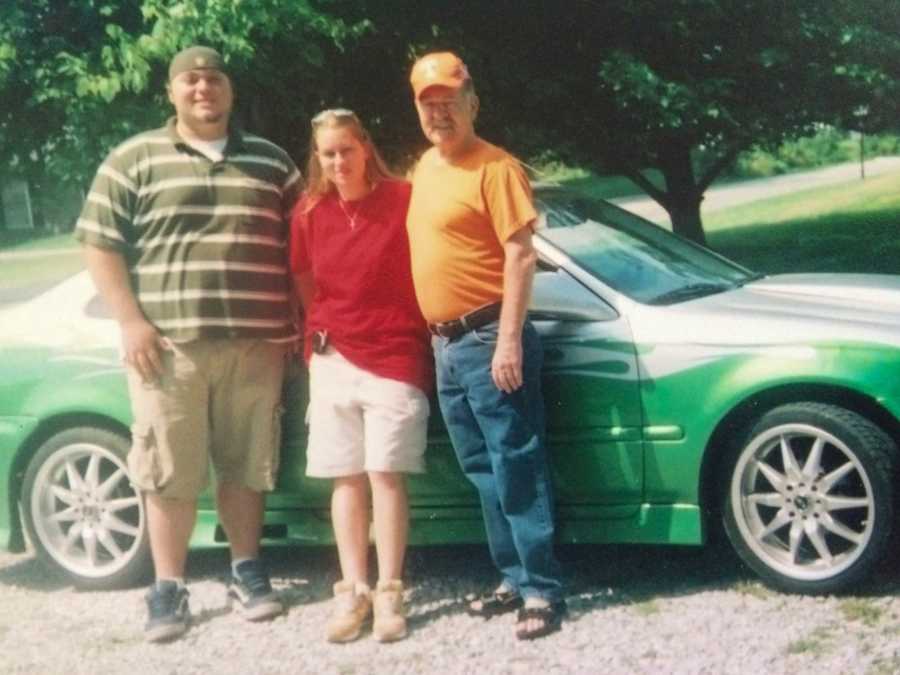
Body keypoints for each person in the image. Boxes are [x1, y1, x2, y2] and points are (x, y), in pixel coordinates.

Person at [75, 46, 302, 643]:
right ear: (172, 92)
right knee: (168, 471)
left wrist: (299, 321)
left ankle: (247, 571)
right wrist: (130, 321)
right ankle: (168, 587)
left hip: (258, 344)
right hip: (168, 349)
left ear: (230, 89)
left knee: (247, 464)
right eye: (191, 80)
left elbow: (304, 245)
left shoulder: (272, 162)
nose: (204, 88)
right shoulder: (134, 158)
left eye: (214, 78)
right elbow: (99, 243)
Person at [405, 52, 566, 640]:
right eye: (428, 102)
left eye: (449, 100)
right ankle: (512, 576)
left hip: (488, 337)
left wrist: (508, 344)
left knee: (516, 464)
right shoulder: (425, 166)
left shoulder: (496, 167)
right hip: (446, 346)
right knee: (481, 470)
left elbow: (521, 254)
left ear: (473, 102)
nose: (439, 112)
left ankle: (543, 591)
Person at [289, 109, 432, 643]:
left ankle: (390, 590)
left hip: (395, 354)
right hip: (333, 358)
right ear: (318, 159)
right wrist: (320, 342)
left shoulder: (403, 199)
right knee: (344, 476)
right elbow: (304, 280)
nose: (338, 162)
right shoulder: (308, 211)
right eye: (328, 154)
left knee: (385, 472)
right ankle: (353, 589)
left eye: (346, 150)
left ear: (365, 147)